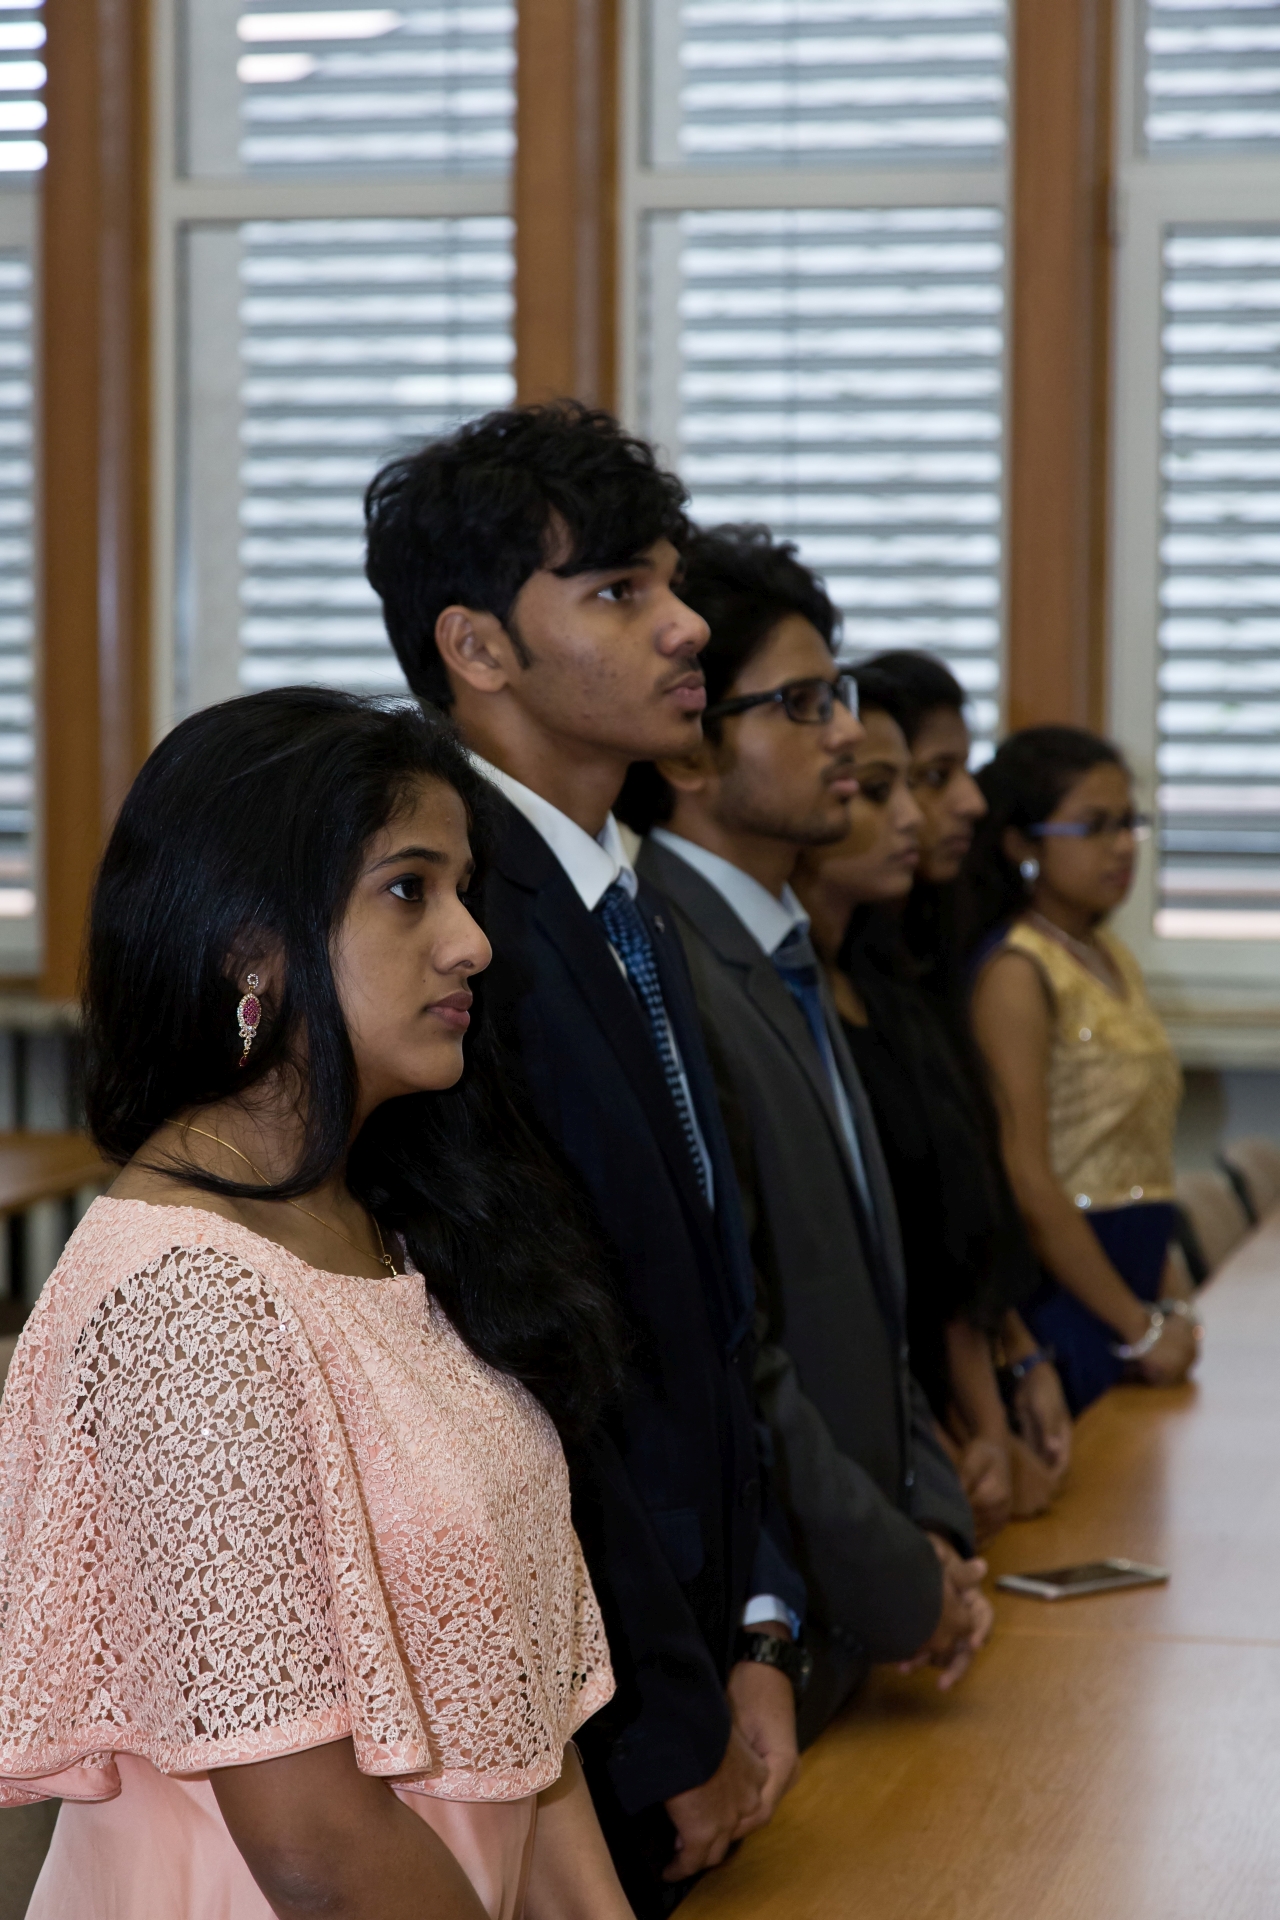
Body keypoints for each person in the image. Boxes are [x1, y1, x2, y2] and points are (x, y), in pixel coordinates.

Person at [0, 689, 633, 1920]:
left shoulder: (381, 1230)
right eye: (408, 890)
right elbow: (313, 1849)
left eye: (461, 890)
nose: (471, 942)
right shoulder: (185, 1299)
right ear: (251, 945)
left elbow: (521, 1726)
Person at [364, 406, 805, 1917]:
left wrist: (759, 1627)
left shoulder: (625, 892)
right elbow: (523, 1372)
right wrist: (665, 1719)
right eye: (619, 592)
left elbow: (714, 1313)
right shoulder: (450, 936)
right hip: (589, 1721)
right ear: (477, 647)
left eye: (668, 581)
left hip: (700, 1653)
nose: (687, 627)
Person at [616, 525, 990, 1743]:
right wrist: (901, 1579)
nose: (845, 735)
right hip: (781, 1636)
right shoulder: (671, 967)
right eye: (801, 703)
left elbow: (872, 1304)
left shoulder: (783, 950)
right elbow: (748, 1352)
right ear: (687, 747)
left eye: (838, 697)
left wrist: (932, 1527)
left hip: (865, 1609)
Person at [793, 666, 1054, 1538]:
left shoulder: (895, 987)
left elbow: (958, 1226)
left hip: (946, 1408)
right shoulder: (794, 1001)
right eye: (884, 787)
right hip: (883, 1435)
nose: (930, 812)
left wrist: (1004, 1386)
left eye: (925, 782)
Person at [863, 651, 1073, 1506]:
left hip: (971, 1379)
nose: (971, 803)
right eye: (933, 776)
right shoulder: (853, 982)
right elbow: (922, 1236)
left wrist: (1018, 1352)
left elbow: (970, 1212)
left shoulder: (936, 952)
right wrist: (976, 1427)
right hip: (916, 1409)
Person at [963, 725, 1201, 1415]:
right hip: (1067, 1280)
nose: (1123, 846)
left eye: (1129, 823)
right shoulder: (1018, 969)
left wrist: (1168, 1302)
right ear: (1021, 845)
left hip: (1134, 1267)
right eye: (1095, 827)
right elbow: (1026, 1176)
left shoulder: (1106, 953)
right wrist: (1135, 1325)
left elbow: (1137, 1153)